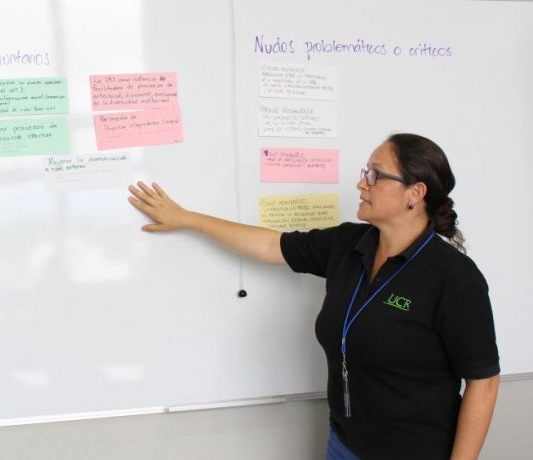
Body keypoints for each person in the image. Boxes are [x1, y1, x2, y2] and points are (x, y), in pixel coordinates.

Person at [127, 133, 500, 459]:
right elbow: (272, 245)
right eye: (363, 173)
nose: (361, 184)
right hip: (344, 444)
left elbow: (483, 382)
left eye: (375, 174)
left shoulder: (453, 277)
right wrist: (189, 219)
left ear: (414, 194)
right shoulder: (349, 244)